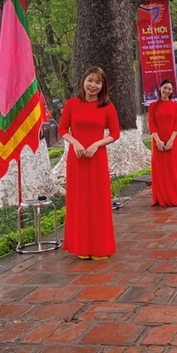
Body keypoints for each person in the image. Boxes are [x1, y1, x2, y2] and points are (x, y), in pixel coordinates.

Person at [59, 66, 120, 260]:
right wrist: (75, 142)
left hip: (97, 158)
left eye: (98, 82)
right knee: (79, 201)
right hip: (76, 159)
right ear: (83, 81)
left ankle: (100, 246)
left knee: (97, 201)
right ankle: (81, 246)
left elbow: (115, 133)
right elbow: (62, 129)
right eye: (90, 80)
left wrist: (97, 144)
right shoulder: (72, 104)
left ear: (103, 86)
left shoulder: (107, 107)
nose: (93, 85)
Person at [148, 79, 177, 207]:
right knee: (160, 170)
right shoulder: (152, 106)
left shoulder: (175, 106)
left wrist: (171, 140)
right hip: (158, 141)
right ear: (160, 88)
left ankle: (174, 196)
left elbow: (176, 126)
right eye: (165, 88)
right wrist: (158, 141)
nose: (167, 91)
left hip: (172, 140)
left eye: (170, 89)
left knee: (173, 168)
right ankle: (161, 197)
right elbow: (152, 125)